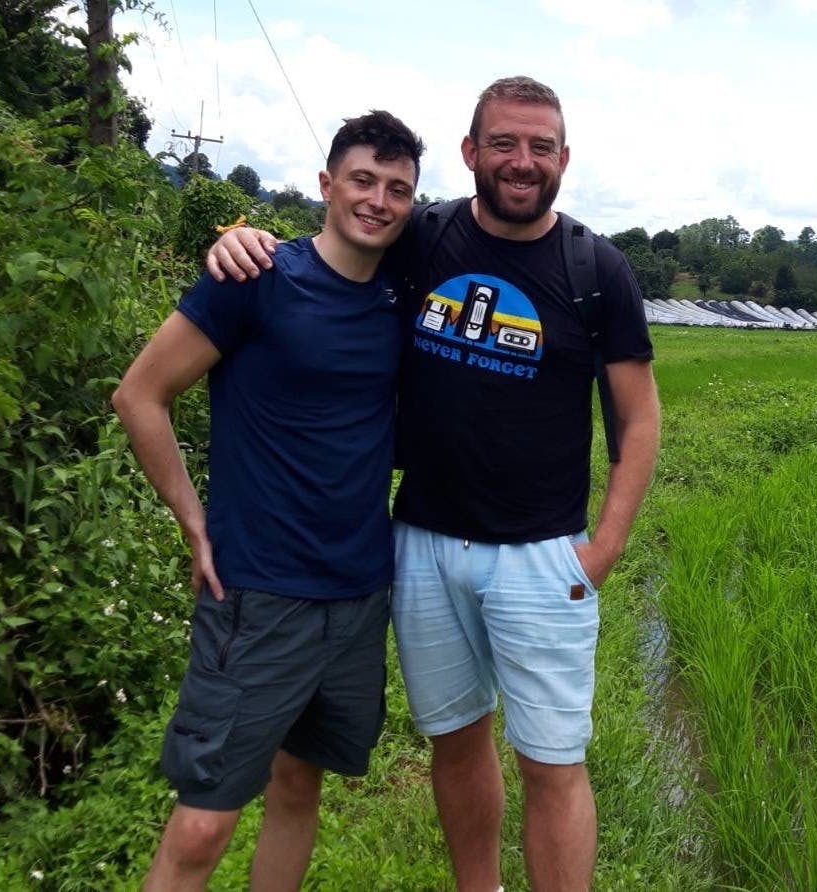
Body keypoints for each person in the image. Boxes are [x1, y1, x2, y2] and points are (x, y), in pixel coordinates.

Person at [210, 76, 660, 892]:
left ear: (564, 158)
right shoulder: (425, 236)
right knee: (455, 741)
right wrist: (245, 240)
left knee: (552, 763)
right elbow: (339, 241)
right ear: (470, 153)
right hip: (420, 542)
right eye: (503, 144)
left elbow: (639, 418)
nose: (521, 162)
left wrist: (605, 547)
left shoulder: (597, 269)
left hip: (541, 556)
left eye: (540, 147)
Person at [113, 109, 424, 891]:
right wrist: (194, 525)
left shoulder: (399, 297)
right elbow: (139, 396)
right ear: (326, 185)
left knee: (298, 784)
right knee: (202, 823)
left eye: (397, 188)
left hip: (357, 592)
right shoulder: (253, 279)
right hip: (258, 593)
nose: (378, 201)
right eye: (362, 181)